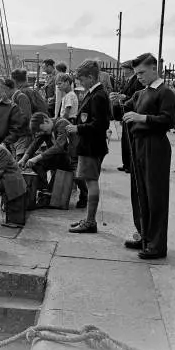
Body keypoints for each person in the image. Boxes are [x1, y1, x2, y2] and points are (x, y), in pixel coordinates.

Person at [122, 53, 175, 259]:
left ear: (155, 68)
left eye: (142, 73)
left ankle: (157, 244)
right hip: (139, 144)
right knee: (139, 192)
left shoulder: (165, 92)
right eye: (137, 74)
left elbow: (168, 120)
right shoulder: (143, 92)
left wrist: (141, 117)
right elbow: (130, 106)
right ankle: (144, 235)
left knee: (156, 196)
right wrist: (122, 101)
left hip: (155, 146)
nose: (139, 77)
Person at [65, 59, 110, 233]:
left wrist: (78, 128)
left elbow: (100, 124)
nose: (80, 84)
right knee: (89, 180)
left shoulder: (98, 95)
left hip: (91, 146)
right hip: (89, 145)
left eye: (82, 80)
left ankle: (90, 221)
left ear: (90, 77)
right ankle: (89, 219)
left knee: (91, 182)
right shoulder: (95, 93)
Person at [18, 112, 88, 205]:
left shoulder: (62, 124)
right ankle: (45, 188)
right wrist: (24, 158)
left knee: (78, 177)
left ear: (46, 121)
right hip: (60, 158)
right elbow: (35, 144)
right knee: (36, 163)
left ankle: (84, 195)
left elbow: (59, 146)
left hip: (74, 158)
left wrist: (36, 158)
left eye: (42, 130)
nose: (42, 133)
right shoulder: (45, 130)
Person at [110, 60, 144, 172]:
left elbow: (137, 97)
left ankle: (130, 165)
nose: (123, 72)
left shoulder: (136, 81)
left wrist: (124, 96)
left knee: (130, 141)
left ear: (130, 69)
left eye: (124, 69)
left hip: (132, 113)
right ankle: (126, 164)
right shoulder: (129, 80)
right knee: (125, 140)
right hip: (126, 113)